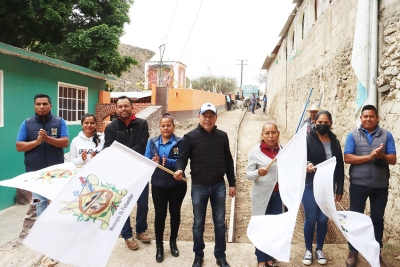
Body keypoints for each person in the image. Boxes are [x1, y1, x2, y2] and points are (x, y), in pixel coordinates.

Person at [174, 102, 236, 267]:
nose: (208, 119)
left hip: (218, 186)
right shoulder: (190, 137)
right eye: (205, 115)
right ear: (199, 116)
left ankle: (220, 256)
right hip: (198, 187)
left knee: (220, 222)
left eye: (211, 116)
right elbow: (182, 158)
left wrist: (232, 183)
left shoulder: (222, 136)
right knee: (198, 223)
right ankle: (198, 255)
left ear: (216, 117)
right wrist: (180, 169)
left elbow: (229, 161)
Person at [343, 105, 396, 267]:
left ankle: (376, 254)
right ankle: (353, 252)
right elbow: (348, 158)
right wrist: (370, 156)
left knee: (377, 220)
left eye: (371, 116)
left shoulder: (387, 135)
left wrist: (382, 156)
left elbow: (393, 159)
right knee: (355, 219)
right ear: (361, 118)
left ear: (377, 118)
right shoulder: (353, 135)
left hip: (380, 185)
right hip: (358, 184)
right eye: (365, 116)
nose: (368, 119)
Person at [104, 96, 151, 250]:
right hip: (121, 173)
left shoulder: (142, 124)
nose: (123, 109)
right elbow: (109, 149)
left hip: (140, 170)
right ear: (116, 109)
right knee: (123, 204)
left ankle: (140, 230)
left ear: (132, 108)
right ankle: (127, 235)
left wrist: (123, 153)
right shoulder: (111, 127)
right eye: (120, 106)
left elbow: (143, 145)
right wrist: (123, 156)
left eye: (126, 106)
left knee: (143, 203)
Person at [16, 94, 69, 216]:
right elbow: (19, 146)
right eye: (38, 104)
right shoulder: (26, 123)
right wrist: (37, 142)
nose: (41, 107)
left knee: (58, 203)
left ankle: (58, 231)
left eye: (44, 104)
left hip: (57, 172)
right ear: (34, 106)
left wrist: (47, 138)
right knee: (40, 204)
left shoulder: (60, 121)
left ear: (50, 106)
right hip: (35, 174)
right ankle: (42, 231)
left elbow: (65, 142)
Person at [302, 110, 344, 266]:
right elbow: (301, 158)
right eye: (320, 123)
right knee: (311, 218)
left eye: (326, 123)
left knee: (323, 219)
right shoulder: (307, 139)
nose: (322, 125)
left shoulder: (335, 141)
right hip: (310, 185)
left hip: (327, 186)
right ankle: (307, 249)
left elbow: (339, 165)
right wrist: (307, 164)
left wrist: (339, 189)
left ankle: (319, 249)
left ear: (331, 124)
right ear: (314, 123)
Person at [145, 113, 187, 263]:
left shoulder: (181, 142)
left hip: (177, 185)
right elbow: (146, 159)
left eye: (168, 125)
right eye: (163, 125)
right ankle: (159, 246)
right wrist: (153, 161)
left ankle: (173, 242)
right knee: (160, 215)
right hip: (158, 185)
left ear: (173, 127)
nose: (166, 128)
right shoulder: (152, 142)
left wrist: (166, 162)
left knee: (175, 214)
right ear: (159, 127)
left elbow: (181, 161)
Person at [246, 122, 284, 267]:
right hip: (261, 196)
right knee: (261, 226)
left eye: (273, 132)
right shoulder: (255, 152)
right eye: (267, 133)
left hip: (278, 195)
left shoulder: (283, 150)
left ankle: (270, 257)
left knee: (274, 227)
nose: (270, 136)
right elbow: (248, 175)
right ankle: (261, 258)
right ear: (262, 135)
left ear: (278, 133)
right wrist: (257, 172)